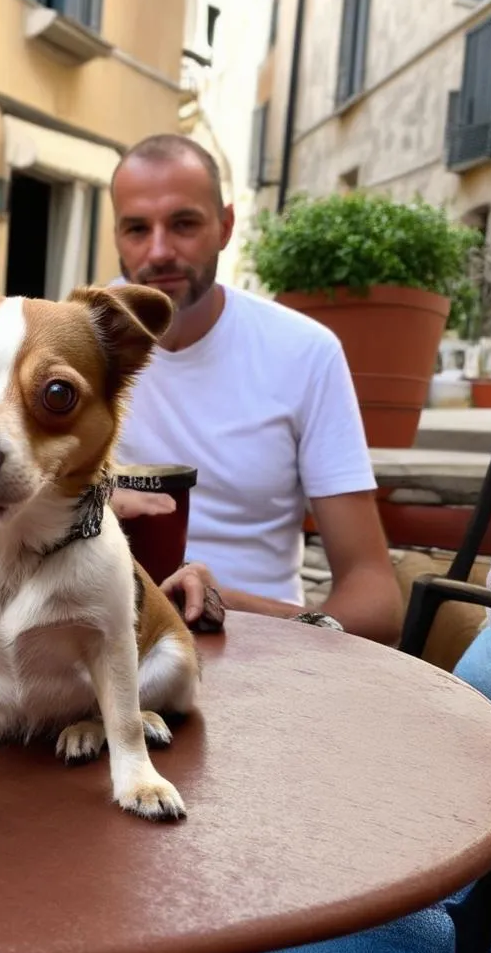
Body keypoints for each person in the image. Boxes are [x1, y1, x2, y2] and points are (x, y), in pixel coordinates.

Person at [106, 134, 402, 645]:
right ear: (116, 236)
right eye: (137, 228)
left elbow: (375, 597)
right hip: (99, 635)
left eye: (184, 224)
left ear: (224, 227)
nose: (159, 251)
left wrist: (242, 611)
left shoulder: (304, 352)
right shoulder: (72, 345)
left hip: (260, 648)